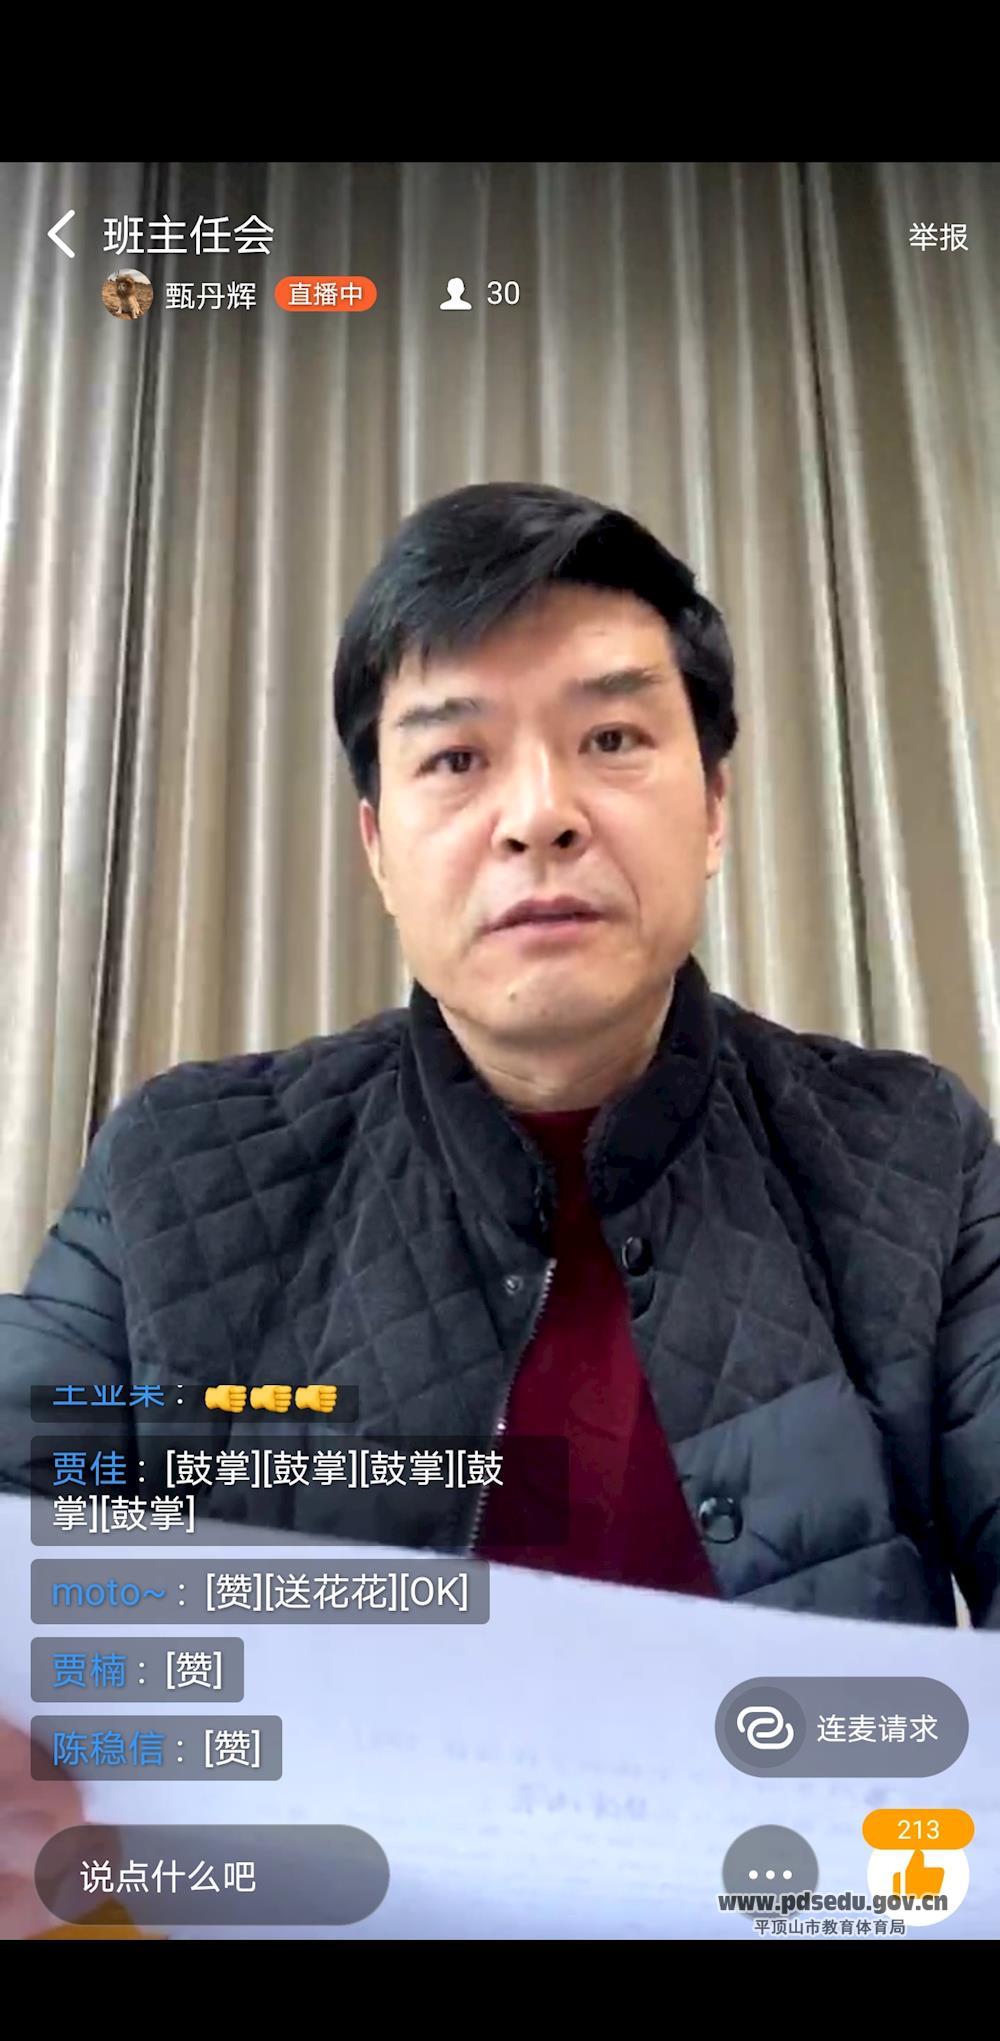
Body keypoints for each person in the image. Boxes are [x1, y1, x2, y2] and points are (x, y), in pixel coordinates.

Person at [2, 480, 999, 1621]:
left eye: (611, 738)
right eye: (456, 758)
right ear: (378, 848)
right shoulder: (177, 1169)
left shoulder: (912, 1152)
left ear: (715, 807)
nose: (538, 815)